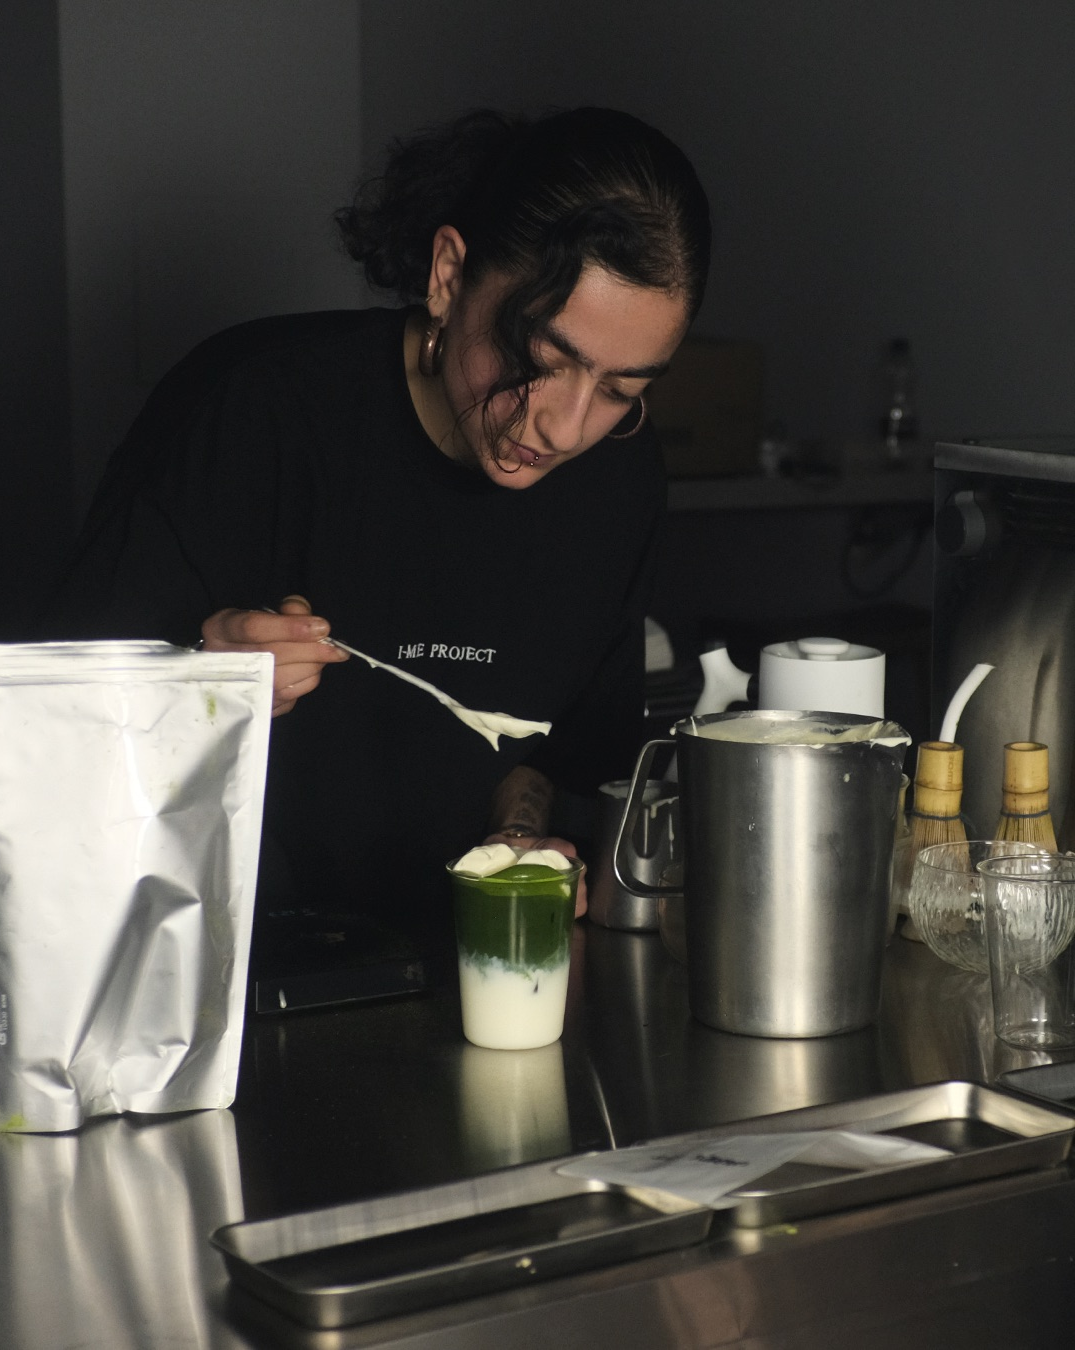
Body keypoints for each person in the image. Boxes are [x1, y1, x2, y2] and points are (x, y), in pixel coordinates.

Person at [43, 106, 711, 971]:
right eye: (543, 358)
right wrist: (199, 674)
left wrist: (520, 832)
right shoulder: (253, 409)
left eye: (621, 389)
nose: (566, 426)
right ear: (447, 275)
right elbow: (48, 736)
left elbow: (557, 749)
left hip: (462, 981)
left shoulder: (619, 480)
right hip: (213, 977)